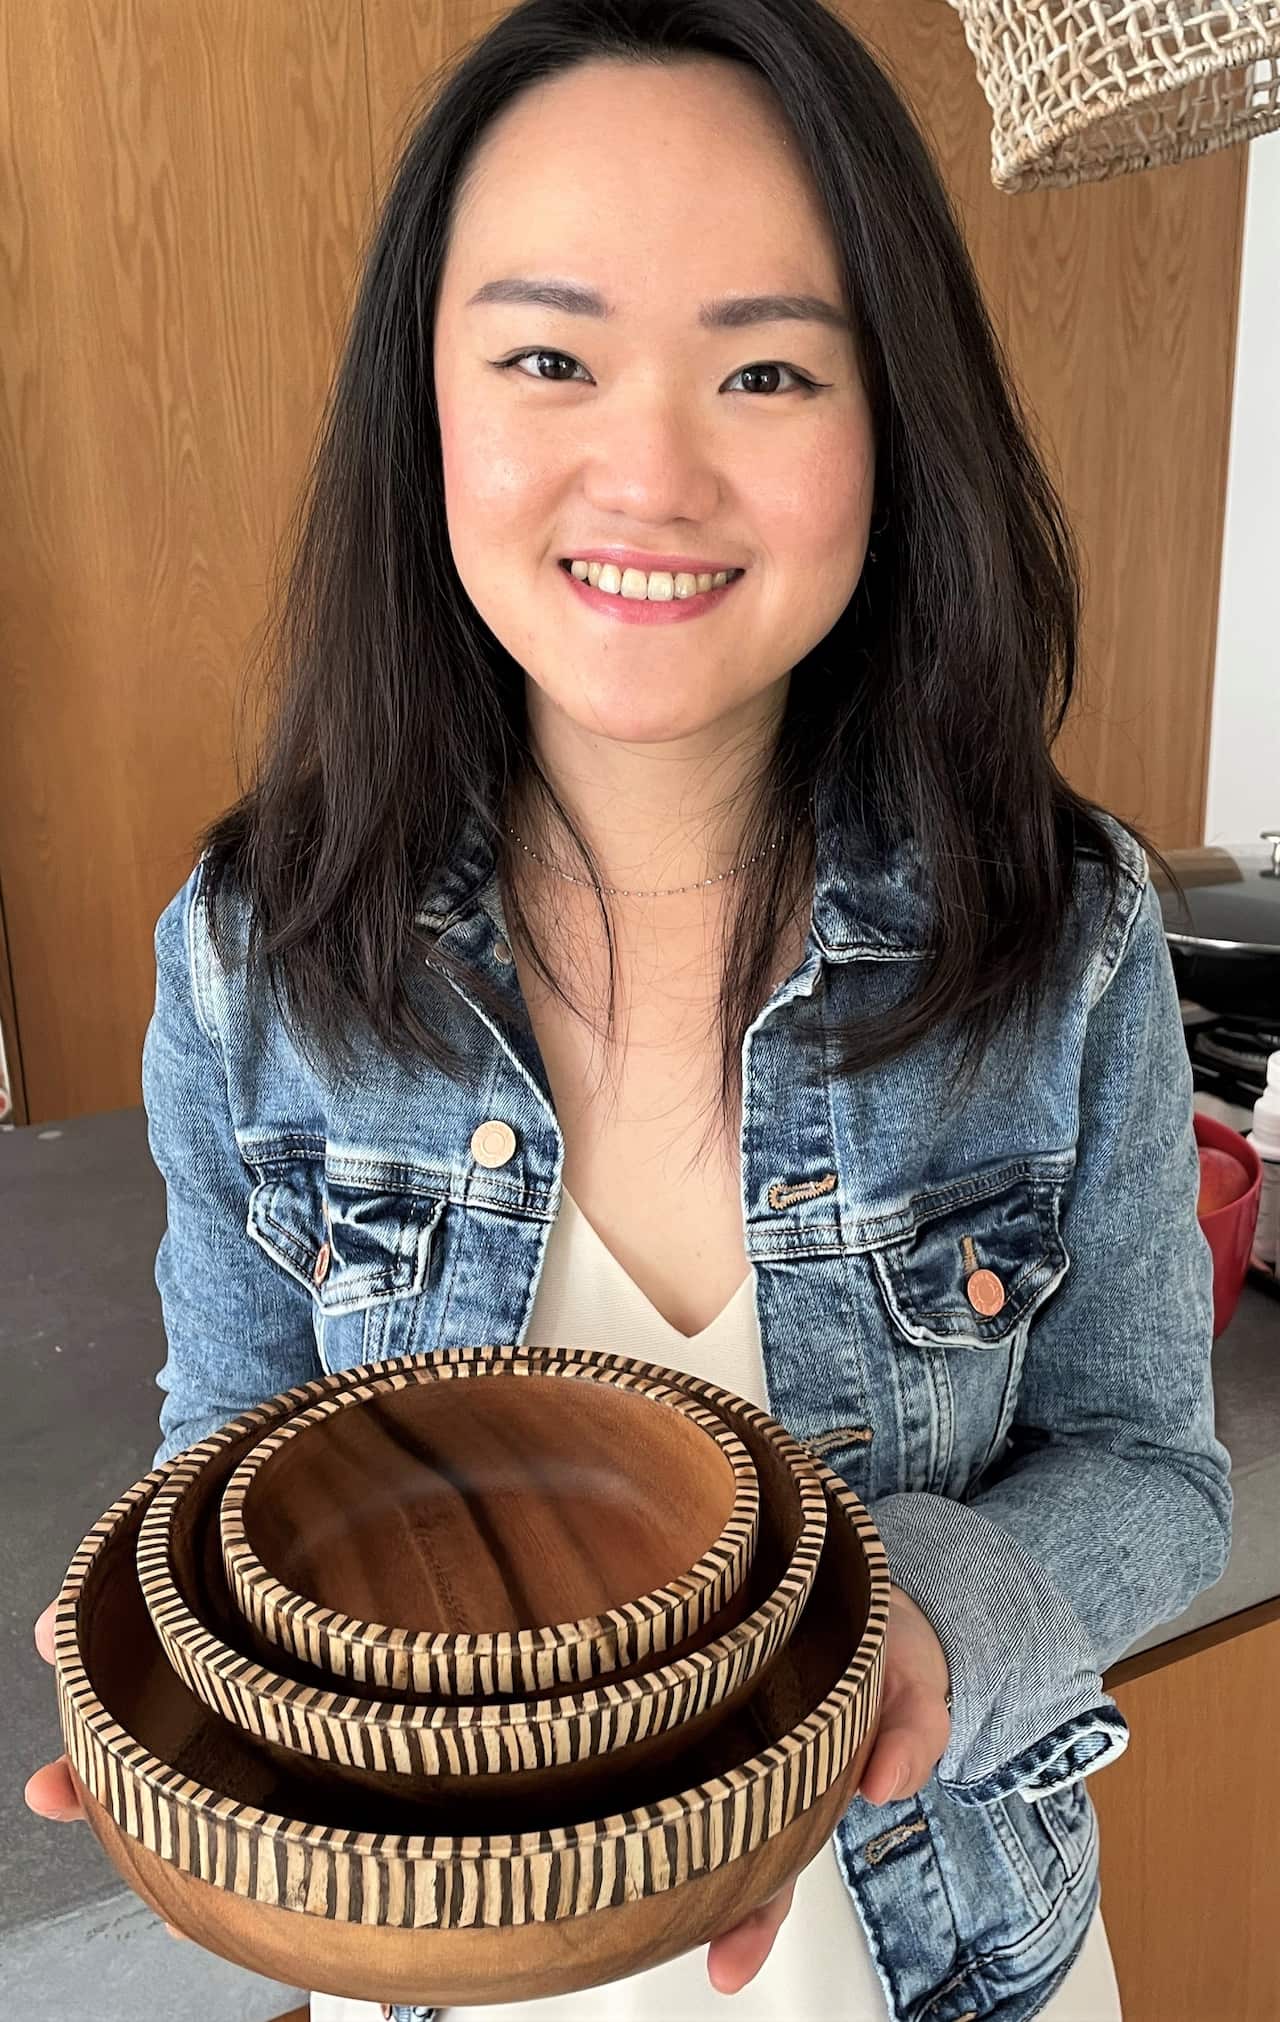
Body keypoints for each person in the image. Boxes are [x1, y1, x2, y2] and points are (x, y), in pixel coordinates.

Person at [28, 2, 1232, 2018]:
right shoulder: (255, 946)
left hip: (959, 1963)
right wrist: (192, 1711)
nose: (649, 467)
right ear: (425, 407)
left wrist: (906, 1630)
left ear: (891, 416)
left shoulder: (1062, 927)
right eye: (546, 357)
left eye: (765, 366)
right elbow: (233, 1458)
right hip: (441, 1968)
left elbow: (1151, 1471)